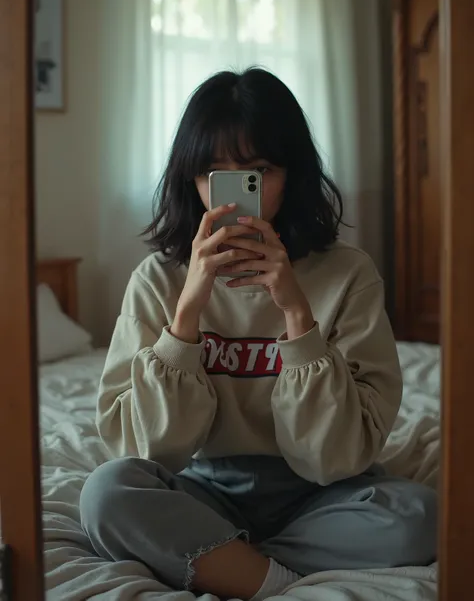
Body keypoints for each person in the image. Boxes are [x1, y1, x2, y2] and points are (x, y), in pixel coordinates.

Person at [80, 68, 437, 600]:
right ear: (190, 179)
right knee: (105, 496)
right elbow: (146, 449)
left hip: (322, 494)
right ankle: (273, 578)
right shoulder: (157, 280)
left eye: (258, 170)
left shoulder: (349, 274)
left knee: (422, 516)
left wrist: (296, 312)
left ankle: (226, 562)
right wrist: (188, 312)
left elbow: (336, 457)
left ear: (291, 173)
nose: (234, 190)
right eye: (213, 172)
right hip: (204, 488)